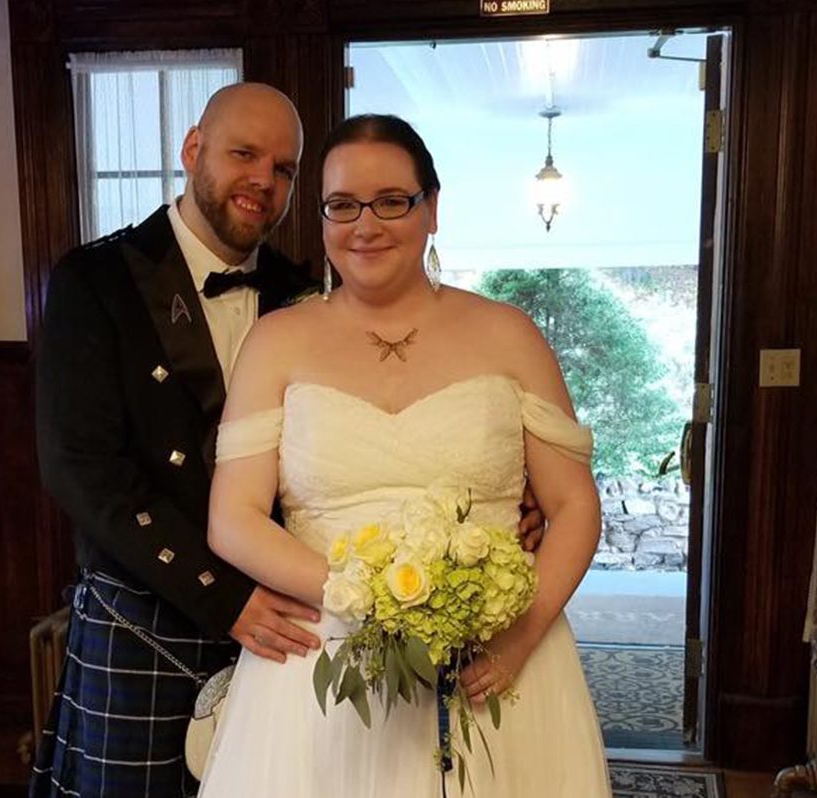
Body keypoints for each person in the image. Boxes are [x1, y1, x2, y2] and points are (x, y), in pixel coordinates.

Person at [198, 114, 611, 796]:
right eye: (342, 205)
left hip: (498, 661)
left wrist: (519, 639)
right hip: (325, 665)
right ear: (322, 216)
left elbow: (573, 505)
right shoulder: (276, 341)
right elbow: (233, 519)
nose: (367, 225)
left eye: (392, 201)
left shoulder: (509, 335)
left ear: (432, 208)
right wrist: (367, 602)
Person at [30, 83, 324, 798]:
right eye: (243, 153)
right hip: (145, 616)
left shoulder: (302, 291)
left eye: (283, 168)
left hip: (279, 617)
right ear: (193, 150)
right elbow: (81, 468)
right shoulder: (95, 279)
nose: (264, 179)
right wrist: (223, 595)